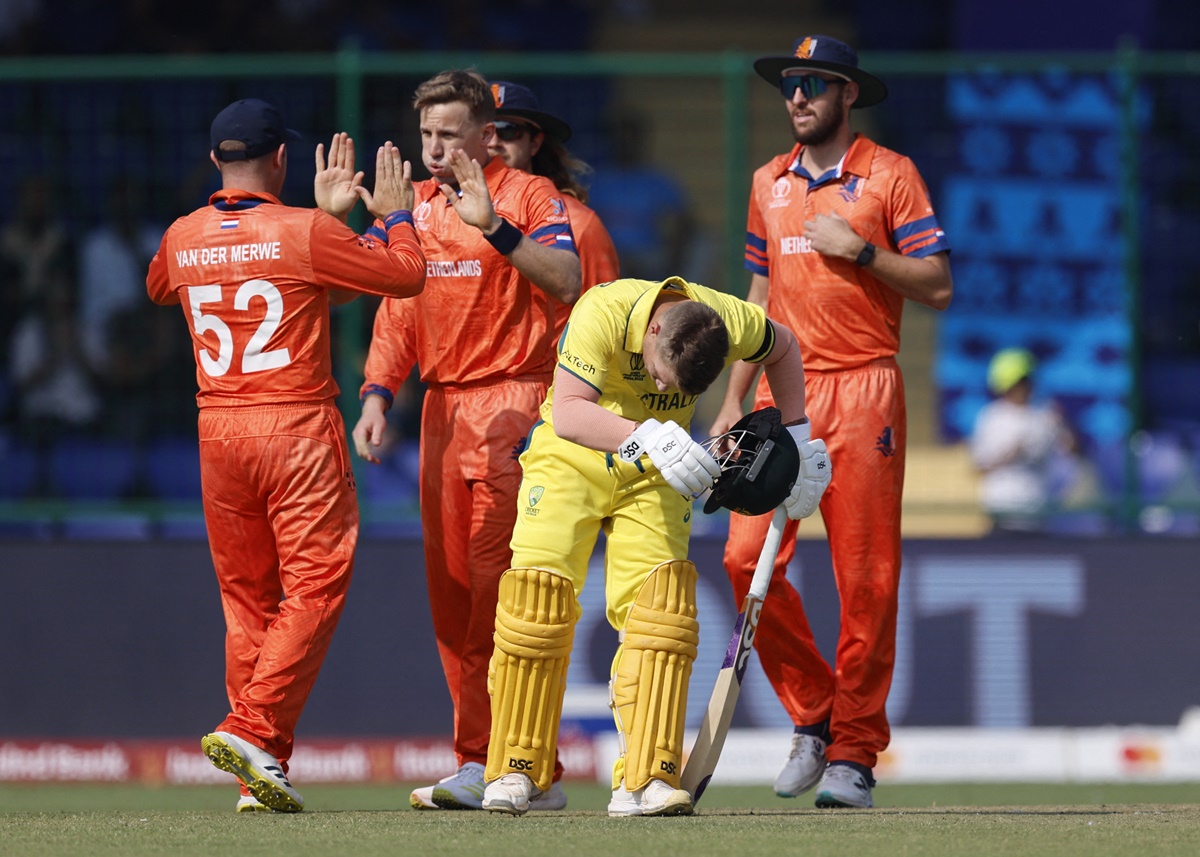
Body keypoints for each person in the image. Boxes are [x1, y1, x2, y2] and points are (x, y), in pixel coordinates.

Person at [146, 98, 426, 813]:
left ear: (215, 162)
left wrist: (313, 235)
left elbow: (162, 286)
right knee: (317, 586)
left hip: (218, 434)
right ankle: (250, 728)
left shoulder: (183, 235)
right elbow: (403, 276)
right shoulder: (300, 229)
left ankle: (257, 768)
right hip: (296, 427)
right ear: (281, 161)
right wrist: (390, 215)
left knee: (247, 604)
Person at [477, 274, 831, 818]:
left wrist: (800, 435)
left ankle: (647, 776)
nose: (673, 392)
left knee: (661, 615)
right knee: (536, 605)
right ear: (655, 328)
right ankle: (519, 770)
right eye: (666, 378)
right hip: (574, 456)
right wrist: (645, 432)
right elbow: (571, 411)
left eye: (686, 391)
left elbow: (783, 347)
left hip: (660, 467)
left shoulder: (724, 315)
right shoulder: (602, 310)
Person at [709, 35, 954, 810]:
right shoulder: (767, 182)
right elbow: (758, 299)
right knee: (744, 561)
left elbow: (939, 284)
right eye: (790, 83)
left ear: (848, 93)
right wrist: (726, 402)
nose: (798, 95)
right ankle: (814, 711)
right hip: (779, 395)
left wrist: (864, 253)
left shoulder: (892, 175)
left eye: (814, 83)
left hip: (865, 391)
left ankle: (853, 751)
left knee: (868, 579)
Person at [351, 69, 582, 812]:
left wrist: (496, 227)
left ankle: (506, 758)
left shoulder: (529, 198)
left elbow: (569, 278)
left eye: (449, 134)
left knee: (494, 594)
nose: (435, 148)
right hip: (443, 414)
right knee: (450, 597)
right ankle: (487, 758)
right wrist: (379, 393)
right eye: (426, 134)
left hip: (514, 405)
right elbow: (398, 309)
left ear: (488, 136)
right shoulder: (415, 207)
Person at [487, 78, 620, 337]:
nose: (492, 142)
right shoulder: (438, 215)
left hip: (552, 375)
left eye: (506, 130)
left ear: (534, 143)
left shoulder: (579, 223)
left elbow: (607, 321)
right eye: (483, 131)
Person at [970, 347, 1080, 533]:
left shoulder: (1045, 414)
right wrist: (1011, 454)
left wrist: (1065, 425)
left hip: (1038, 517)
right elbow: (979, 467)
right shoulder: (992, 417)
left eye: (1028, 381)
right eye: (1021, 382)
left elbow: (1073, 452)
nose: (1026, 388)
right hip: (1002, 517)